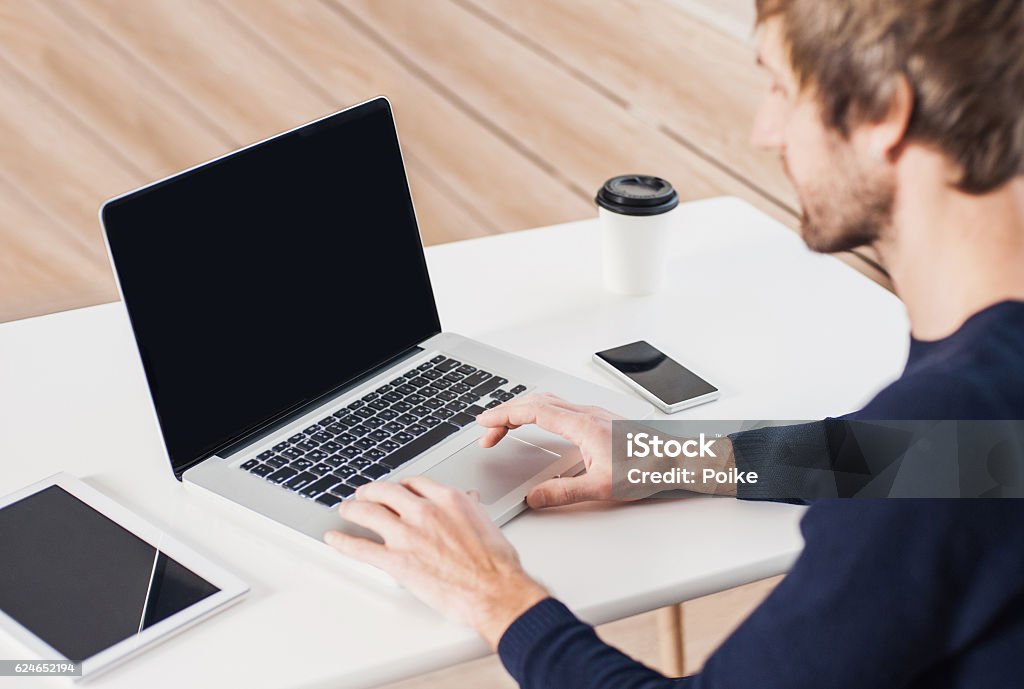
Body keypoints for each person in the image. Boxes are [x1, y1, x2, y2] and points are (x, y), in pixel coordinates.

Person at [323, 1, 1024, 687]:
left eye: (782, 87)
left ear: (885, 114)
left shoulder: (960, 404)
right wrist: (669, 453)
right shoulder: (986, 391)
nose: (765, 129)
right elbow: (955, 461)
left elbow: (947, 467)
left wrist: (493, 593)